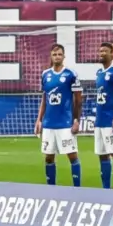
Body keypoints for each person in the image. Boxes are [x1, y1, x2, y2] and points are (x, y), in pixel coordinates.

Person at [35, 43, 81, 187]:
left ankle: (77, 188)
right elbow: (45, 98)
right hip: (49, 124)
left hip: (65, 123)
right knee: (48, 157)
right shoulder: (45, 74)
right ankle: (51, 189)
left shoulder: (70, 74)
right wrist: (39, 120)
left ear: (64, 56)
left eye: (59, 54)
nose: (57, 57)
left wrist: (76, 120)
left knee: (72, 156)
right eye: (54, 54)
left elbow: (78, 99)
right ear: (51, 56)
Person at [91, 41, 113, 189]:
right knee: (102, 154)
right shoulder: (99, 72)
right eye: (100, 51)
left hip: (111, 120)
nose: (102, 53)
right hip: (99, 121)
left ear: (112, 54)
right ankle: (106, 189)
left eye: (105, 51)